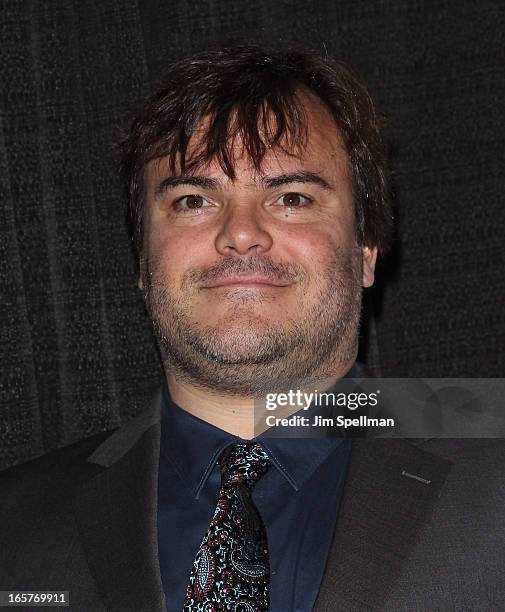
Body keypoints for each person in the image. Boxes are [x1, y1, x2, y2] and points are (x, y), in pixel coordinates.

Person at [0, 45, 503, 612]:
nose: (241, 233)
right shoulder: (12, 531)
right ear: (142, 261)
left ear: (366, 250)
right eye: (193, 200)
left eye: (291, 198)